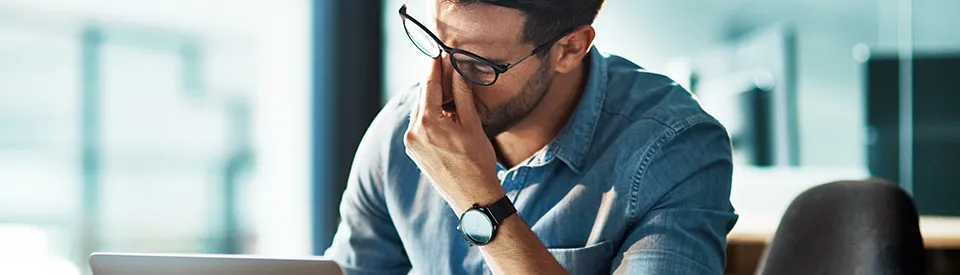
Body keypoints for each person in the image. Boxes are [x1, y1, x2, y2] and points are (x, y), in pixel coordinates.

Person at [325, 0, 738, 274]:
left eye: (477, 63)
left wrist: (476, 198)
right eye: (433, 39)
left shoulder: (676, 149)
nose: (442, 80)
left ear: (569, 49)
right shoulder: (401, 133)